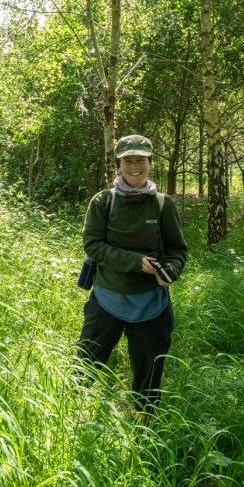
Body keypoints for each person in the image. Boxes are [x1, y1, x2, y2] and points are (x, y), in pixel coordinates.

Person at [78, 135, 188, 419]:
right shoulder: (103, 201)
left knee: (149, 372)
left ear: (150, 163)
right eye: (128, 160)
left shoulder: (164, 204)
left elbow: (177, 250)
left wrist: (171, 270)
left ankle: (144, 423)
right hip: (107, 298)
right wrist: (135, 262)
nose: (135, 166)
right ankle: (69, 411)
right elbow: (93, 245)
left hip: (152, 303)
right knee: (87, 362)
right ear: (119, 165)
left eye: (141, 159)